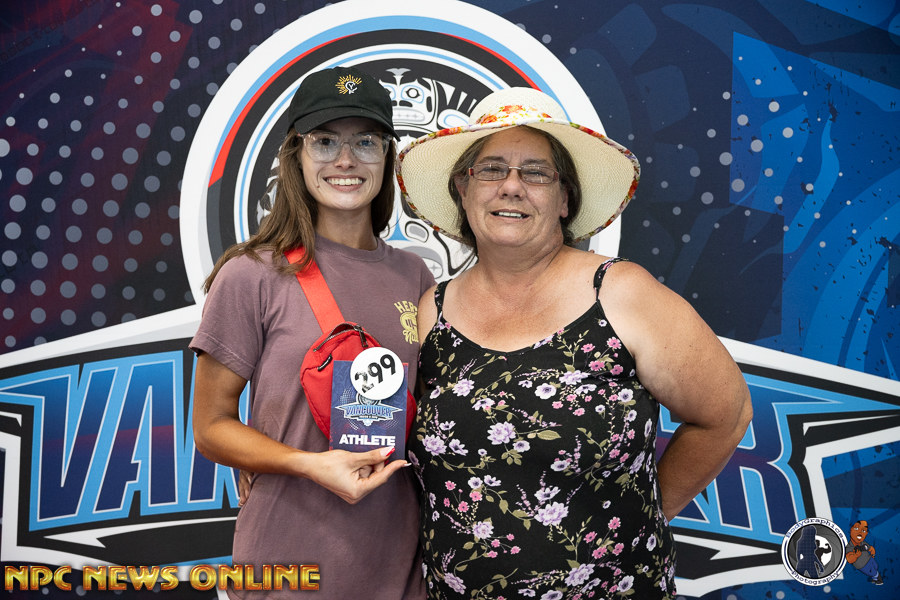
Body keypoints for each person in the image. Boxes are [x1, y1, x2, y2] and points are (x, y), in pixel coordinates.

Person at [396, 87, 753, 599]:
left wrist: (643, 516)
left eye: (536, 173)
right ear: (463, 189)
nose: (511, 187)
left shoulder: (620, 293)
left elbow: (726, 414)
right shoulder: (432, 310)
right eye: (491, 170)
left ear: (564, 198)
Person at [191, 66, 433, 599]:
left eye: (365, 142)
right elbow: (209, 427)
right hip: (288, 563)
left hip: (397, 567)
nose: (345, 160)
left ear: (387, 157)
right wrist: (302, 463)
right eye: (324, 141)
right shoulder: (253, 274)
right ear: (295, 155)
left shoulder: (415, 277)